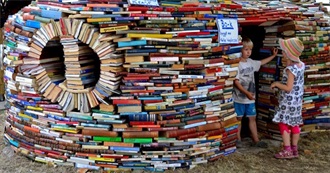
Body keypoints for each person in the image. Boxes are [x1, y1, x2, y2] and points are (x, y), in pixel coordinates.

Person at [233, 37, 278, 148]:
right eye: (246, 49)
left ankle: (256, 140)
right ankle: (237, 139)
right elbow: (236, 82)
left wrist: (273, 56)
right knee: (238, 119)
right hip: (239, 98)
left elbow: (261, 62)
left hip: (250, 98)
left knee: (252, 118)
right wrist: (246, 93)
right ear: (240, 50)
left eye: (250, 50)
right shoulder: (237, 64)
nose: (248, 52)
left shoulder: (251, 62)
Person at [271, 37, 305, 159]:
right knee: (295, 123)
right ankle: (294, 149)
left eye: (284, 51)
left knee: (283, 123)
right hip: (297, 102)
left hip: (288, 101)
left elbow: (288, 87)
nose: (282, 53)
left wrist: (276, 84)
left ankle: (287, 149)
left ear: (289, 54)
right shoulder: (301, 65)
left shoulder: (291, 69)